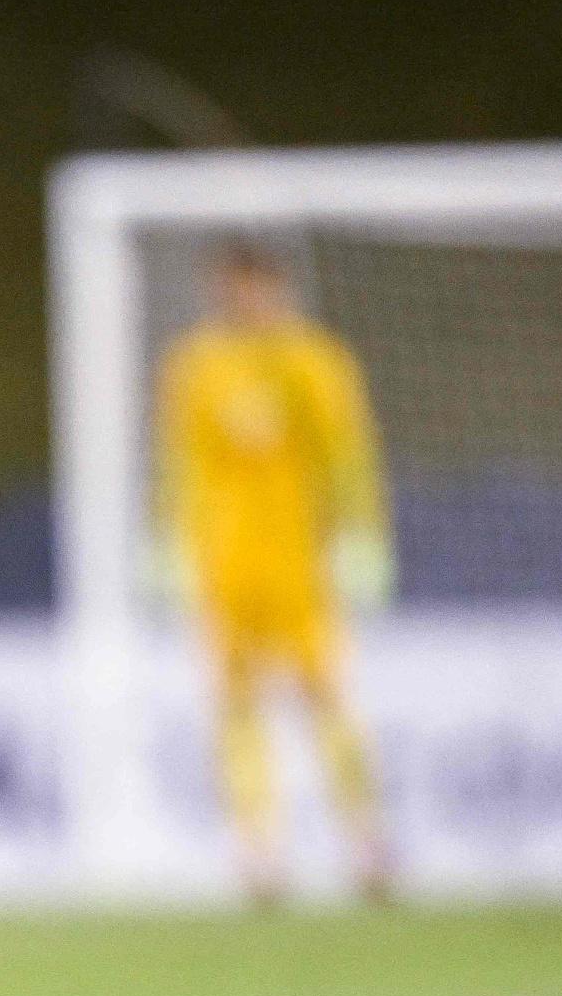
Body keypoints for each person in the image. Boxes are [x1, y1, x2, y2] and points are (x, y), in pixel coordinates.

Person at [156, 241, 394, 904]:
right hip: (225, 566)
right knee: (235, 706)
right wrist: (171, 542)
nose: (242, 301)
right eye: (231, 289)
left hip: (301, 562)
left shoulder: (314, 362)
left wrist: (363, 538)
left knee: (327, 697)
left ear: (277, 288)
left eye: (254, 288)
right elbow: (182, 463)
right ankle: (260, 854)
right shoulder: (197, 365)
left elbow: (350, 456)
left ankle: (367, 842)